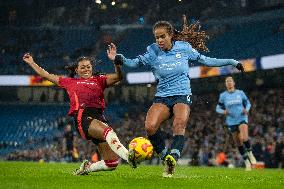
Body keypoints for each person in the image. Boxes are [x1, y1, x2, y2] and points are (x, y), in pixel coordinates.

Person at [107, 15, 244, 177]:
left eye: (162, 36)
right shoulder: (152, 51)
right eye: (157, 37)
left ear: (170, 35)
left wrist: (232, 62)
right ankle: (166, 157)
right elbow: (134, 63)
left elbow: (207, 60)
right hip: (162, 97)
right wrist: (118, 58)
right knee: (150, 127)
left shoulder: (184, 48)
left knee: (179, 124)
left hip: (182, 94)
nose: (159, 40)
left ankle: (174, 156)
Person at [22, 49, 135, 176]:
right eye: (82, 67)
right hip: (83, 117)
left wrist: (116, 63)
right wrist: (32, 62)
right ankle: (128, 156)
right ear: (76, 70)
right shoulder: (69, 82)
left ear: (92, 68)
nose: (86, 69)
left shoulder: (99, 80)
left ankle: (86, 168)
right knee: (108, 131)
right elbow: (46, 75)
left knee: (111, 163)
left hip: (99, 117)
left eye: (88, 67)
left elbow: (119, 77)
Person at [216, 76, 257, 171]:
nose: (229, 82)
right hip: (231, 121)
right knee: (238, 142)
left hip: (242, 117)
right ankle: (247, 162)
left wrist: (246, 110)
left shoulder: (240, 93)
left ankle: (250, 154)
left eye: (230, 81)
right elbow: (217, 108)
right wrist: (223, 112)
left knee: (244, 137)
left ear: (234, 83)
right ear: (225, 84)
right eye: (227, 81)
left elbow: (248, 103)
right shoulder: (223, 96)